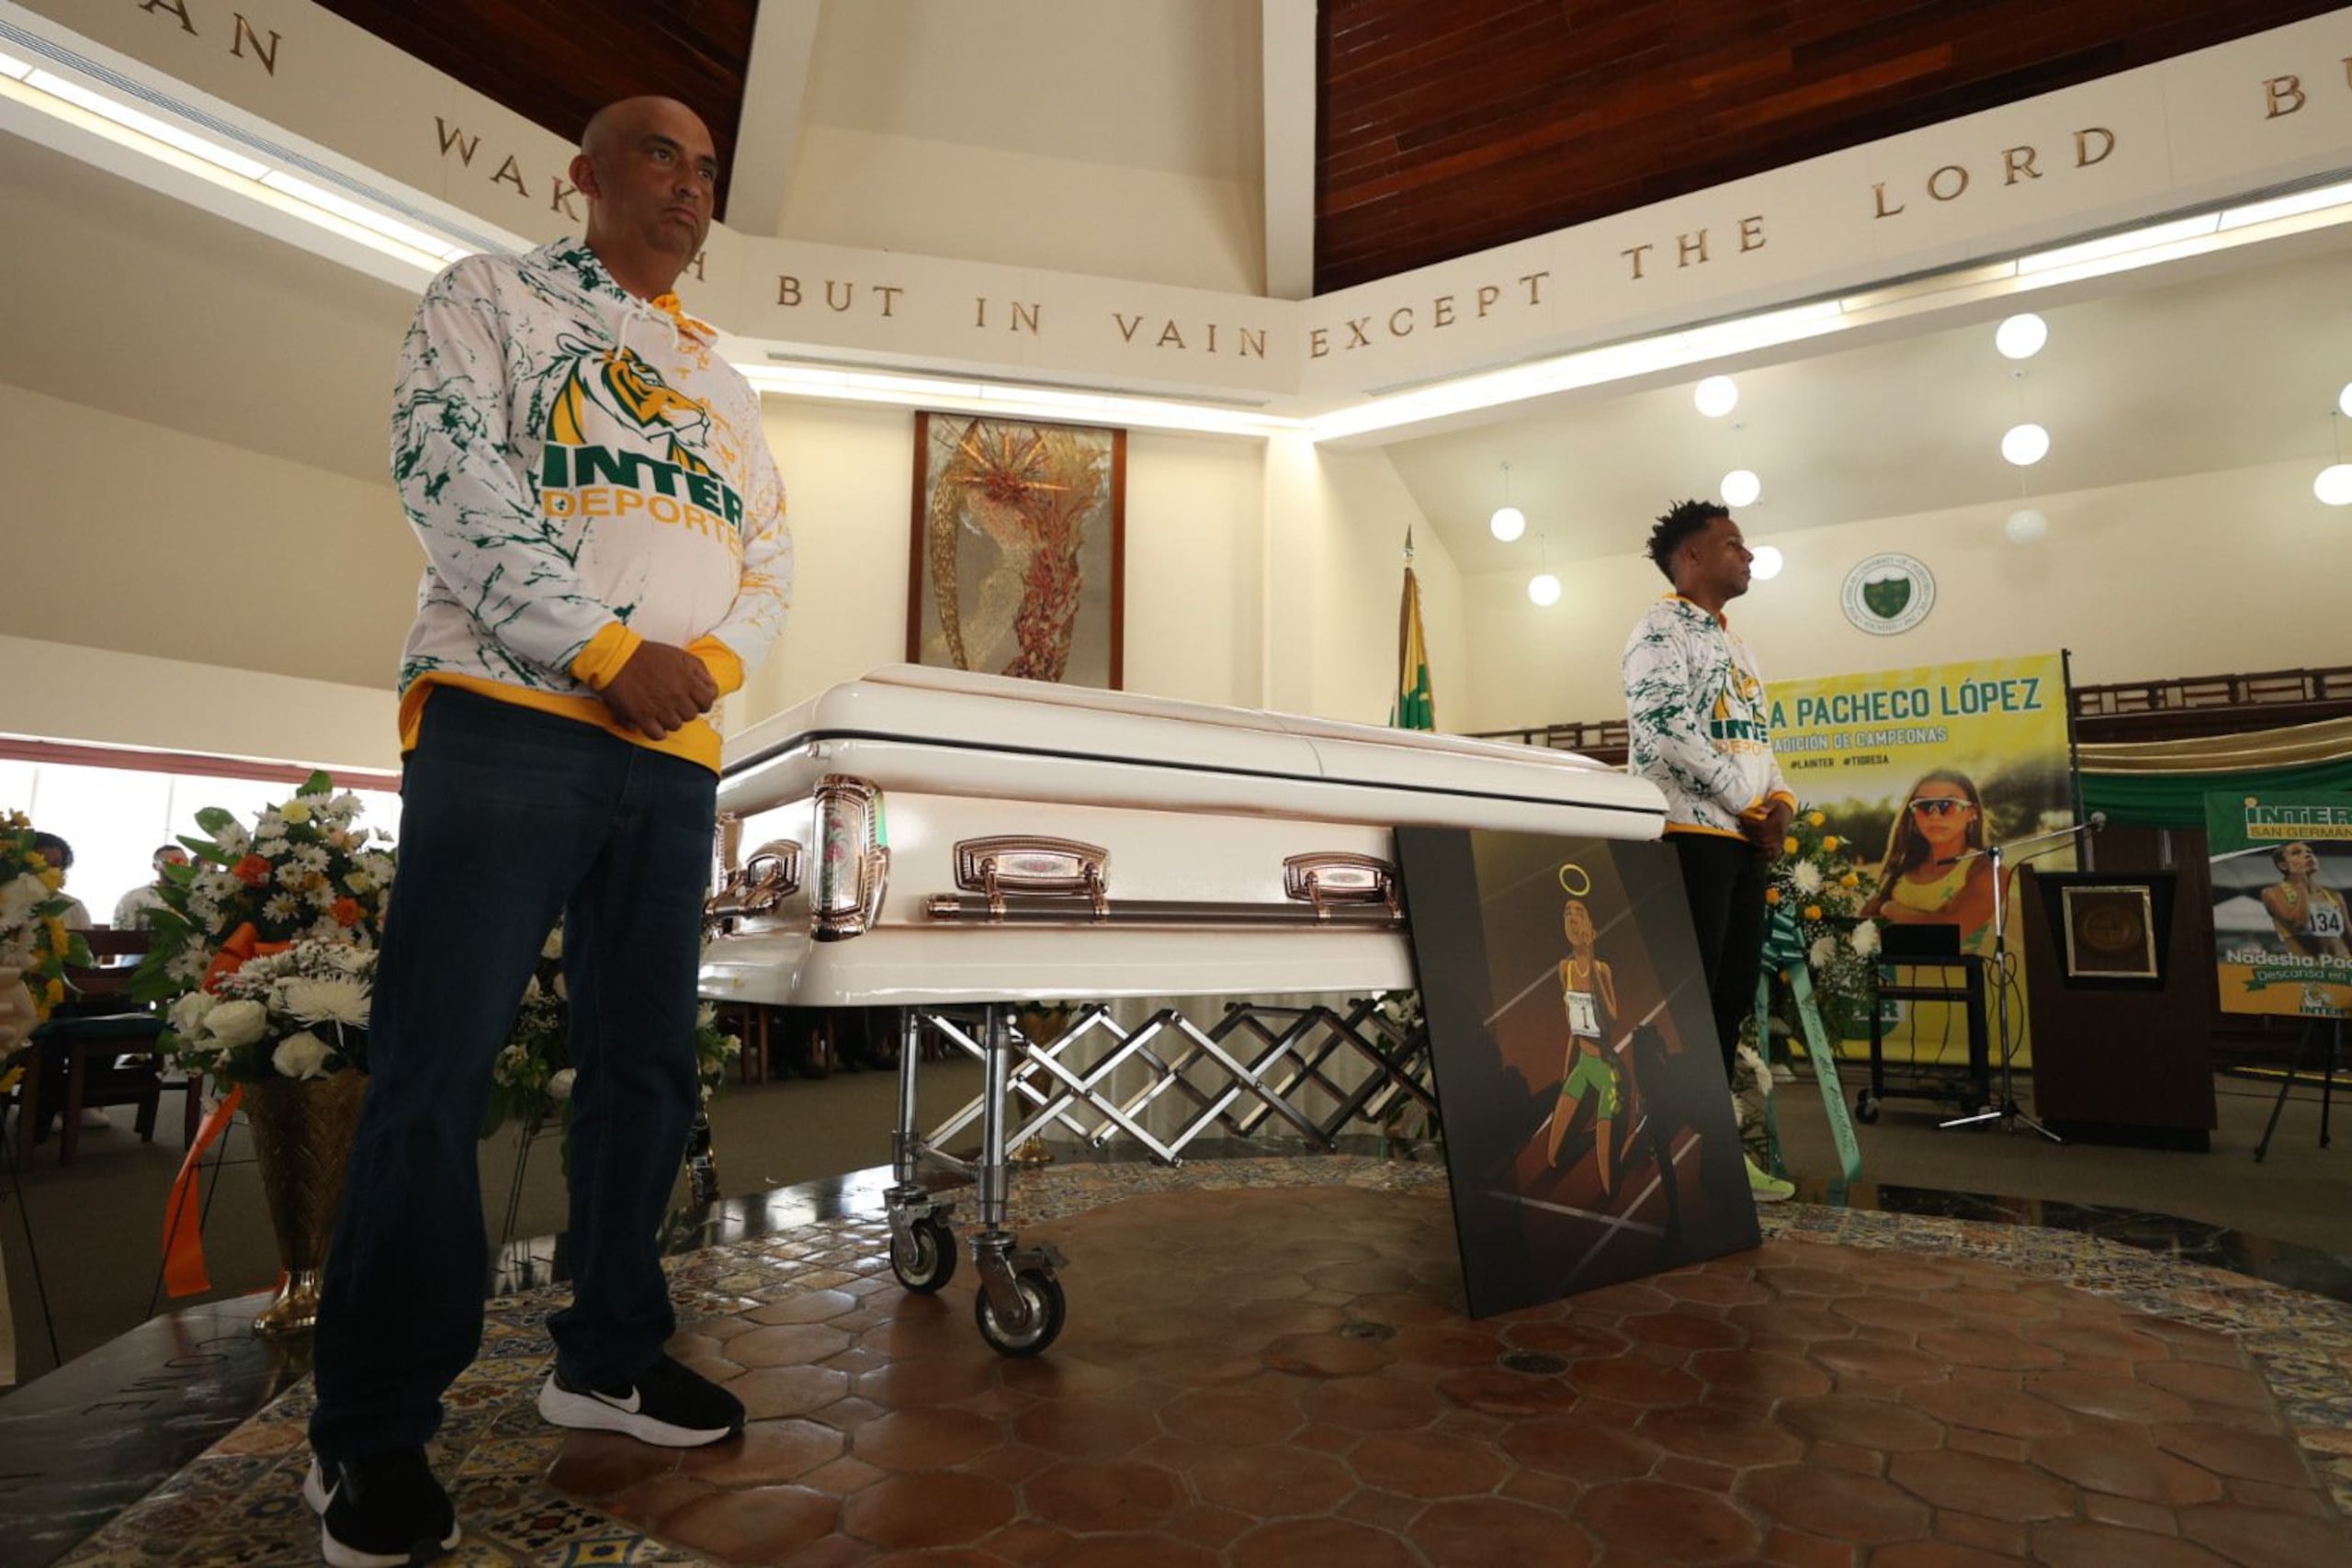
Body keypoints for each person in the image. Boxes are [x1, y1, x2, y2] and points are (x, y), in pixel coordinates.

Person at [304, 96, 793, 1567]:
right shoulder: (489, 297)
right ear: (583, 176)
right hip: (509, 716)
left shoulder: (725, 379)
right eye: (661, 156)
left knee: (645, 1070)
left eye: (707, 171)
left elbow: (766, 556)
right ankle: (373, 1429)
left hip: (671, 748)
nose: (690, 188)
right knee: (435, 1072)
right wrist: (596, 647)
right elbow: (448, 476)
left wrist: (701, 669)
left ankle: (608, 1350)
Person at [1622, 499, 1795, 1202]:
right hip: (1687, 836)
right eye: (1733, 544)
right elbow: (1662, 725)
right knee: (1682, 1002)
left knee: (1726, 999)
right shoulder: (1659, 628)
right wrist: (1738, 798)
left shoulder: (1739, 646)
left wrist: (1780, 806)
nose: (1747, 554)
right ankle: (1661, 1150)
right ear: (1690, 557)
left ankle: (1713, 1149)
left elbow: (1760, 744)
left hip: (1743, 840)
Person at [1860, 770, 2000, 953]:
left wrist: (1891, 910)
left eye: (1947, 805)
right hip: (1894, 981)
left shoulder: (1987, 869)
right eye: (1924, 806)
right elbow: (1862, 929)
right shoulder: (1899, 870)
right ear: (1913, 815)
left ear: (1971, 812)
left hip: (1962, 981)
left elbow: (1952, 932)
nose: (1935, 815)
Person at [1547, 897, 1626, 1192]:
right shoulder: (1563, 969)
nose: (1572, 917)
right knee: (1554, 1157)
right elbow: (1573, 1027)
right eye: (1567, 913)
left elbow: (1612, 1018)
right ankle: (1598, 1136)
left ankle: (1626, 1141)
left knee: (1609, 1186)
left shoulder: (1602, 969)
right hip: (1583, 1063)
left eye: (1579, 912)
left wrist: (1591, 961)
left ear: (1592, 927)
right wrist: (1567, 1071)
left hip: (1608, 1071)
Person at [2261, 841, 2350, 960]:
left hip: (2343, 962)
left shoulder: (2334, 896)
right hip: (2309, 968)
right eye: (2296, 853)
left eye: (2309, 852)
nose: (2307, 855)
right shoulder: (2272, 892)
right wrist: (2300, 884)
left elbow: (2348, 936)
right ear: (2283, 865)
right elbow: (2300, 925)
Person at [112, 843, 189, 931]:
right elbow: (120, 938)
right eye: (174, 862)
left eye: (185, 862)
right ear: (155, 866)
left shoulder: (195, 897)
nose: (181, 867)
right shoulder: (134, 898)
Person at [29, 833, 92, 931]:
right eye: (41, 863)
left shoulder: (73, 907)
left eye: (55, 865)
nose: (48, 870)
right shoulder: (7, 900)